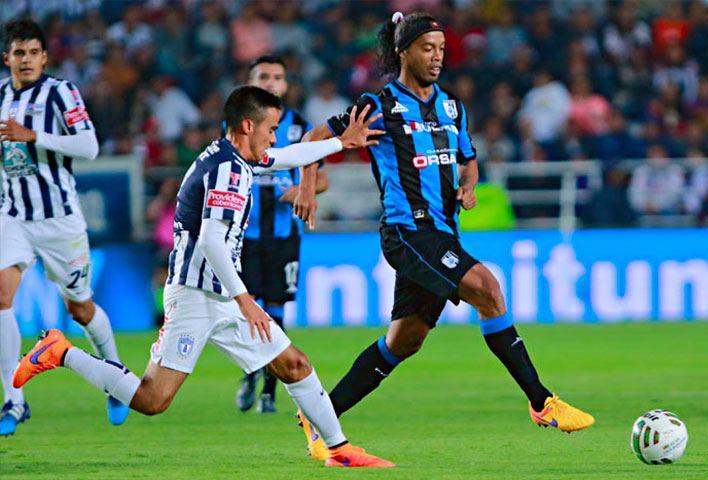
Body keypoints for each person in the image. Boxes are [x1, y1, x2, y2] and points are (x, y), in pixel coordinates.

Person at [13, 85, 394, 468]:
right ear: (248, 126)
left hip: (223, 295)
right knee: (152, 399)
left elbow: (286, 157)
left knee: (294, 365)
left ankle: (338, 449)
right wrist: (246, 301)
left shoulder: (236, 157)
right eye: (271, 129)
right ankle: (61, 352)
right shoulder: (228, 169)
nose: (273, 138)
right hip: (196, 296)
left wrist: (340, 143)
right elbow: (212, 240)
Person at [294, 12, 594, 460]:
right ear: (404, 52)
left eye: (441, 49)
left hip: (442, 232)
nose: (437, 57)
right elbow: (314, 137)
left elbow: (468, 159)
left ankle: (320, 415)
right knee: (488, 289)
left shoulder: (452, 108)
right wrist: (306, 186)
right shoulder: (379, 105)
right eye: (427, 48)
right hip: (408, 231)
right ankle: (541, 401)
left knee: (405, 341)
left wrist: (468, 186)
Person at [0, 18, 128, 435]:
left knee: (80, 308)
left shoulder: (61, 93)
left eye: (33, 53)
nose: (26, 60)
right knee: (1, 295)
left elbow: (89, 146)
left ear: (44, 57)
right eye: (19, 53)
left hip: (59, 218)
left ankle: (115, 373)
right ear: (7, 58)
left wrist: (32, 135)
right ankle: (14, 399)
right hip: (12, 215)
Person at [236, 55, 328, 414]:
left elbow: (321, 178)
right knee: (248, 311)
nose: (270, 82)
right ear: (251, 82)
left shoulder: (301, 127)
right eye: (263, 76)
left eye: (277, 77)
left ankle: (269, 389)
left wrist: (304, 189)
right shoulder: (236, 126)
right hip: (244, 236)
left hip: (283, 235)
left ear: (286, 85)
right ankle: (250, 372)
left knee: (276, 311)